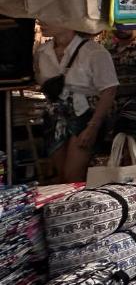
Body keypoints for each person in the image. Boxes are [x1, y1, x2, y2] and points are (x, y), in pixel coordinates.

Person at [34, 24, 119, 182]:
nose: (42, 21)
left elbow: (109, 90)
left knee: (73, 175)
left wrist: (93, 126)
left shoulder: (94, 51)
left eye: (49, 15)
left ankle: (76, 205)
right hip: (55, 116)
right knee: (60, 176)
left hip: (85, 114)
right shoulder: (42, 52)